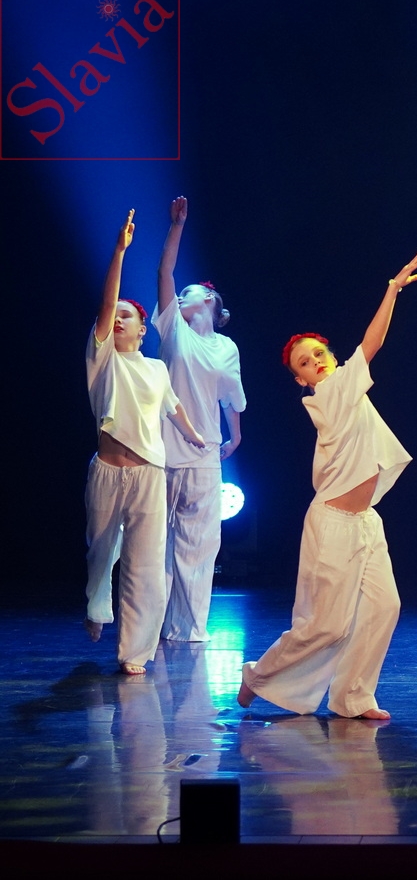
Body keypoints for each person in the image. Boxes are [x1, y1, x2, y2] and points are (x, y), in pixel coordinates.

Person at [238, 250, 417, 720]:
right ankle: (257, 675)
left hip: (366, 521)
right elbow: (372, 343)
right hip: (334, 523)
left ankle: (352, 696)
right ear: (300, 379)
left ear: (331, 356)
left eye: (318, 354)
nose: (315, 363)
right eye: (304, 362)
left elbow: (362, 355)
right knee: (327, 626)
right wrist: (392, 290)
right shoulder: (327, 395)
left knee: (384, 607)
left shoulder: (347, 387)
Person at [85, 209, 209, 674]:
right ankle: (96, 602)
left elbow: (173, 407)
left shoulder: (156, 368)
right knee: (101, 553)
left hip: (149, 474)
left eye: (128, 316)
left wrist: (195, 437)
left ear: (143, 328)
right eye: (114, 315)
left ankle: (135, 650)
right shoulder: (101, 359)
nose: (118, 319)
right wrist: (119, 252)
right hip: (107, 472)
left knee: (144, 564)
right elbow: (105, 305)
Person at [153, 196, 247, 642]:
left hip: (205, 452)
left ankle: (188, 628)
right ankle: (152, 625)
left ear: (208, 299)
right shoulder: (173, 326)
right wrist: (177, 227)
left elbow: (231, 396)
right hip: (160, 450)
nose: (180, 296)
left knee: (201, 542)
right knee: (157, 542)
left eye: (189, 292)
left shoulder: (226, 347)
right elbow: (165, 273)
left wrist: (235, 437)